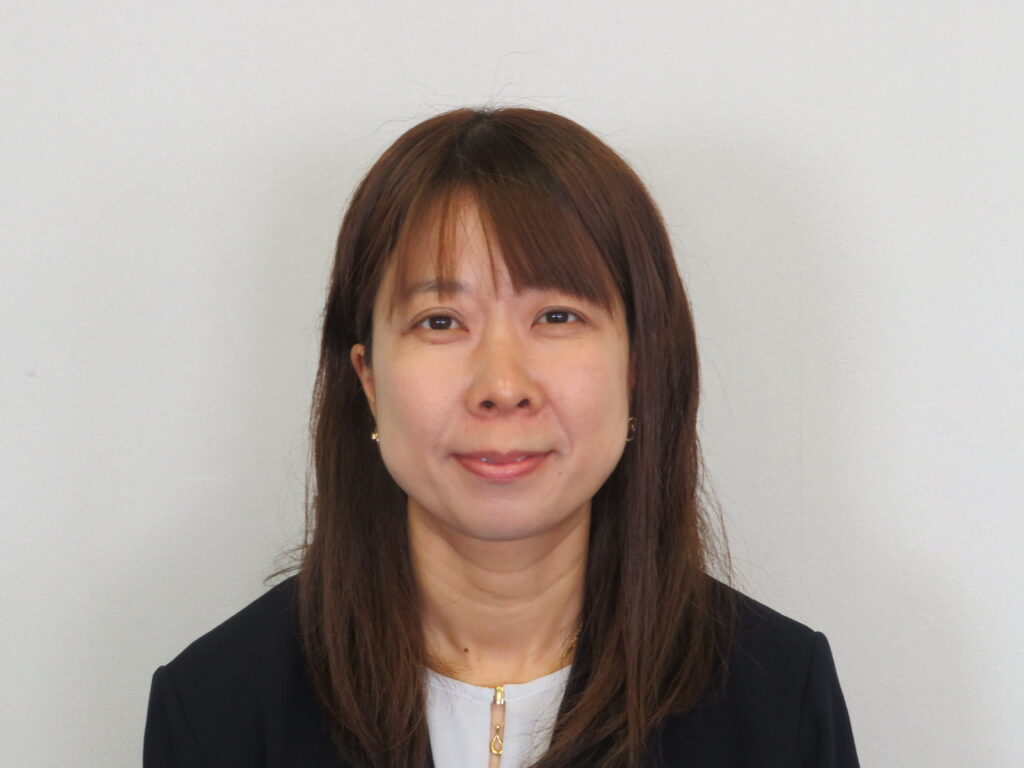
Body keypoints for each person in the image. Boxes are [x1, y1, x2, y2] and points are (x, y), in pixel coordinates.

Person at [143, 106, 859, 768]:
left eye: (557, 317)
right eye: (441, 322)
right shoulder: (218, 707)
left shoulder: (776, 699)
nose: (503, 384)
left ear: (638, 367)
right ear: (368, 378)